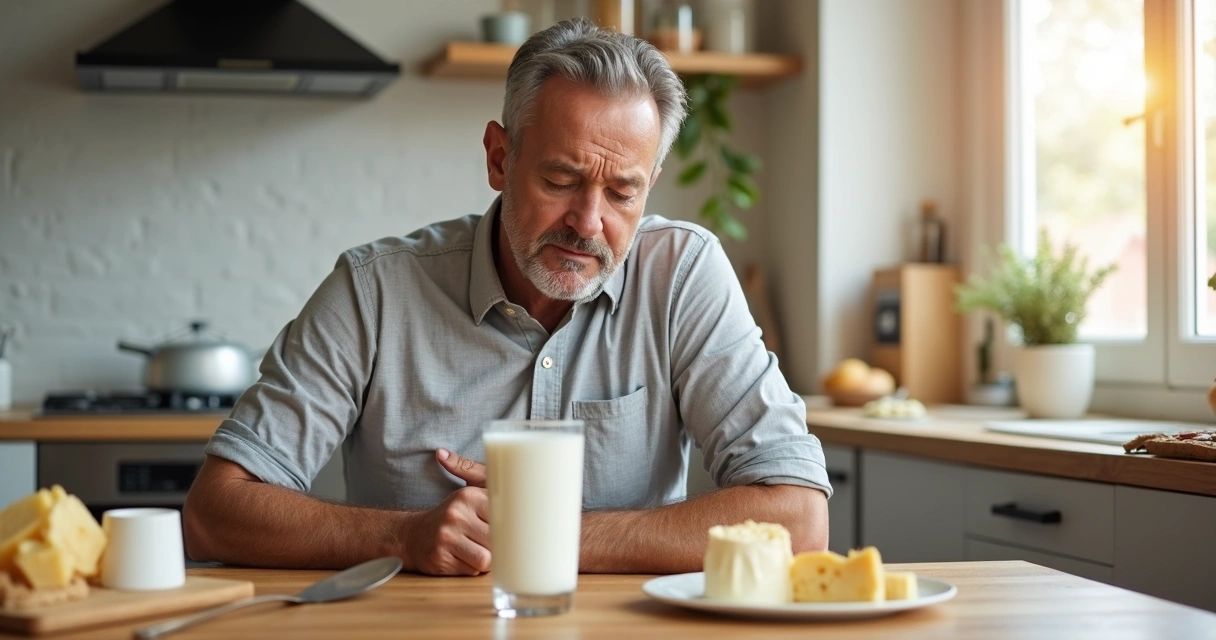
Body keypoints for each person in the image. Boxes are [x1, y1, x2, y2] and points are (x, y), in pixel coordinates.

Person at [182, 18, 831, 576]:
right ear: (499, 158)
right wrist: (402, 537)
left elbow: (799, 520)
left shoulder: (684, 275)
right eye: (561, 178)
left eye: (623, 193)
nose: (587, 220)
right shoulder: (374, 290)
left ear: (652, 185)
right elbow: (214, 512)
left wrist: (548, 536)